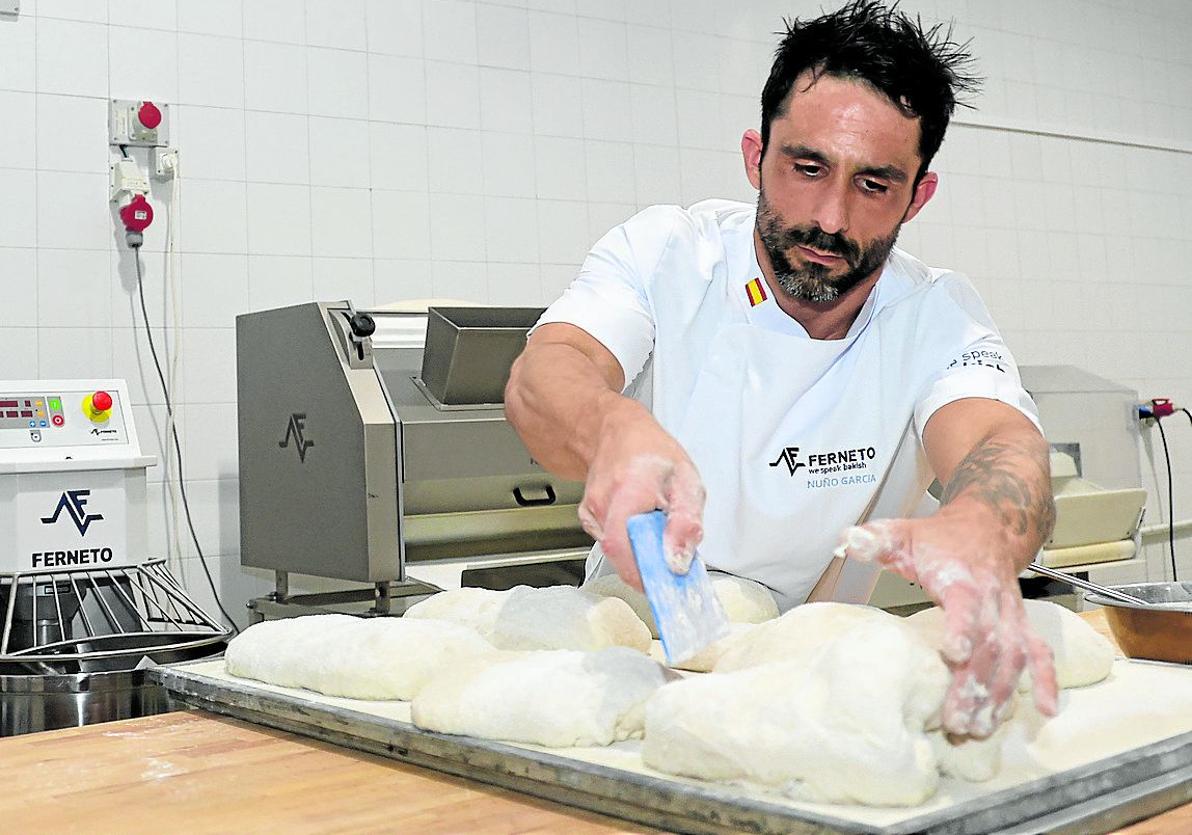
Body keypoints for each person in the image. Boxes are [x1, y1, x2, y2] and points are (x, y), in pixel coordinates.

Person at [505, 0, 1057, 739]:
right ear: (754, 156)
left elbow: (999, 441)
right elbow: (548, 371)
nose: (830, 217)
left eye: (874, 185)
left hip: (812, 699)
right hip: (625, 668)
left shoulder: (934, 314)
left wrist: (982, 525)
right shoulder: (671, 255)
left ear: (918, 196)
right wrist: (615, 429)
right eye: (807, 167)